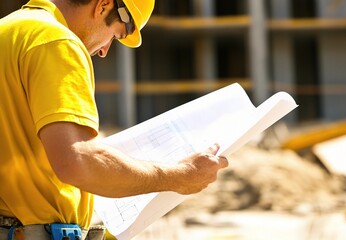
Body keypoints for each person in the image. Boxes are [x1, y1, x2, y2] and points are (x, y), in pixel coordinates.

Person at [0, 0, 229, 239]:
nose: (104, 50)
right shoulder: (58, 41)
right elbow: (77, 163)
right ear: (104, 5)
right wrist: (180, 176)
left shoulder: (8, 30)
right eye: (116, 35)